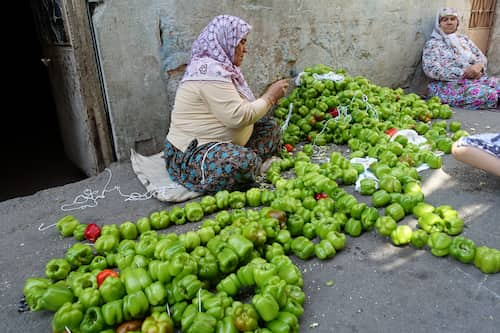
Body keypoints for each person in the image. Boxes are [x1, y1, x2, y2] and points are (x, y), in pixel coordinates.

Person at [163, 15, 289, 193]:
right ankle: (246, 166)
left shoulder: (224, 68)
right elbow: (237, 117)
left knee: (271, 128)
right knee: (244, 163)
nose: (245, 50)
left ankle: (245, 166)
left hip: (224, 142)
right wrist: (269, 97)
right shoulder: (209, 72)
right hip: (191, 154)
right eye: (241, 43)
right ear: (225, 42)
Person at [422, 8, 500, 110]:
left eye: (452, 19)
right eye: (445, 20)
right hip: (446, 84)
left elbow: (481, 58)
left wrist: (479, 66)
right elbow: (430, 69)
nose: (449, 22)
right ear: (439, 24)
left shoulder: (464, 40)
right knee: (487, 94)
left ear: (457, 22)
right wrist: (465, 73)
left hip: (475, 79)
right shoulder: (432, 44)